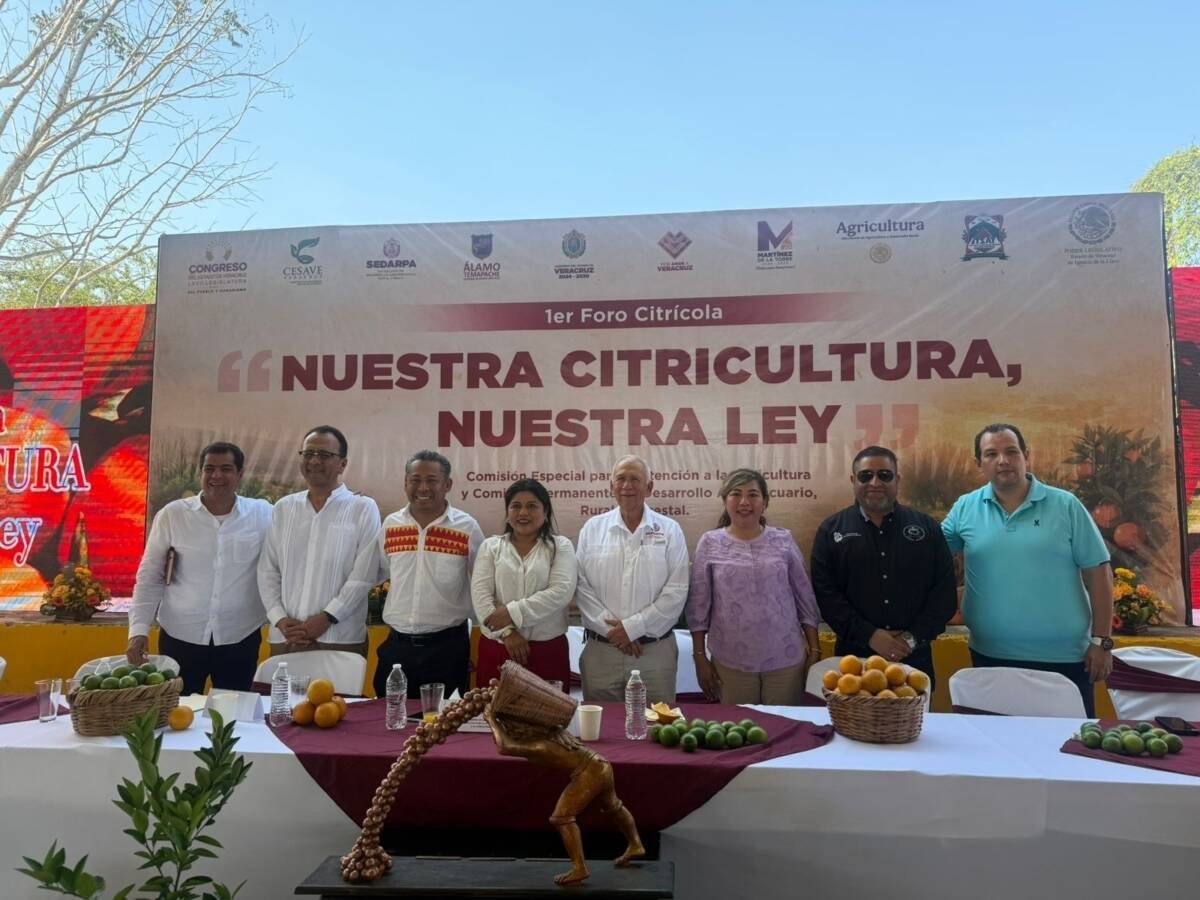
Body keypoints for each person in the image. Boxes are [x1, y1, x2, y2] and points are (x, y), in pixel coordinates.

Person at [941, 423, 1114, 716]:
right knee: (995, 744)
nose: (1003, 460)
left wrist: (1101, 641)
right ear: (978, 463)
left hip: (1066, 659)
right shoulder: (965, 508)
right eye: (991, 454)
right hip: (989, 656)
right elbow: (928, 552)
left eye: (1011, 451)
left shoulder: (1066, 505)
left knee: (1067, 743)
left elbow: (1100, 574)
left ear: (1026, 456)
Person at [127, 442, 271, 695]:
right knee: (177, 712)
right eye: (209, 469)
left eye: (226, 469)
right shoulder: (173, 515)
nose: (217, 475)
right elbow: (149, 577)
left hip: (239, 638)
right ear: (200, 472)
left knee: (232, 714)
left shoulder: (263, 514)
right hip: (180, 637)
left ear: (240, 474)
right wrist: (138, 630)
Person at [810, 446, 957, 690]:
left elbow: (944, 595)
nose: (875, 482)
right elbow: (826, 595)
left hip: (914, 658)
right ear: (853, 480)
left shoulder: (927, 528)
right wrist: (869, 635)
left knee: (916, 717)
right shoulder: (831, 530)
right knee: (852, 717)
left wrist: (910, 639)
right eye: (866, 476)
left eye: (885, 475)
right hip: (853, 664)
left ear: (897, 479)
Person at [687, 468, 821, 704]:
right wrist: (699, 657)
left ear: (765, 502)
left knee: (784, 724)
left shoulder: (783, 539)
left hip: (786, 657)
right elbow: (698, 605)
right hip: (731, 661)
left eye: (752, 494)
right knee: (740, 726)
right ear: (725, 501)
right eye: (736, 494)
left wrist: (815, 650)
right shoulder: (710, 543)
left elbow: (804, 596)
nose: (744, 502)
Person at [362, 450, 484, 698]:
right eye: (415, 480)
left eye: (432, 480)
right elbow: (382, 570)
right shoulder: (392, 525)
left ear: (447, 484)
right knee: (390, 716)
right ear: (405, 483)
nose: (423, 488)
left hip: (447, 649)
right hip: (397, 648)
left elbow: (484, 579)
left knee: (444, 720)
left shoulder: (466, 527)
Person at [483, 704, 644, 885]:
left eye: (516, 729)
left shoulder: (540, 745)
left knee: (561, 817)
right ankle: (635, 844)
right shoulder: (552, 732)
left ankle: (579, 868)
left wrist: (491, 720)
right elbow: (509, 741)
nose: (514, 732)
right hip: (602, 765)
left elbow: (505, 747)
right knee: (613, 805)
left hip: (589, 772)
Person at [257, 425, 380, 658]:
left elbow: (364, 575)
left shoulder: (362, 508)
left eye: (324, 455)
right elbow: (268, 570)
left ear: (342, 464)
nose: (314, 461)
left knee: (340, 687)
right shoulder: (284, 508)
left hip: (339, 637)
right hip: (287, 635)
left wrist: (329, 617)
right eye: (308, 454)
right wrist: (279, 618)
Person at [574, 455, 689, 704]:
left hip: (654, 654)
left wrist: (632, 628)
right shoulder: (592, 529)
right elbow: (581, 587)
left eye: (635, 479)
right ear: (611, 486)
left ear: (649, 487)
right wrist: (616, 633)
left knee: (657, 723)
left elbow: (677, 590)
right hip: (601, 654)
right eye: (621, 479)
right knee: (602, 726)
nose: (627, 485)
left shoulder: (670, 530)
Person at [471, 479, 577, 688]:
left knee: (549, 709)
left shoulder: (560, 546)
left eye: (532, 506)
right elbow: (480, 596)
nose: (523, 513)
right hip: (499, 648)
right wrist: (508, 632)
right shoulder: (490, 547)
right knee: (494, 708)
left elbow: (560, 592)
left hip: (547, 651)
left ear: (545, 512)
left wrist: (511, 612)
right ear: (507, 512)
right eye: (516, 506)